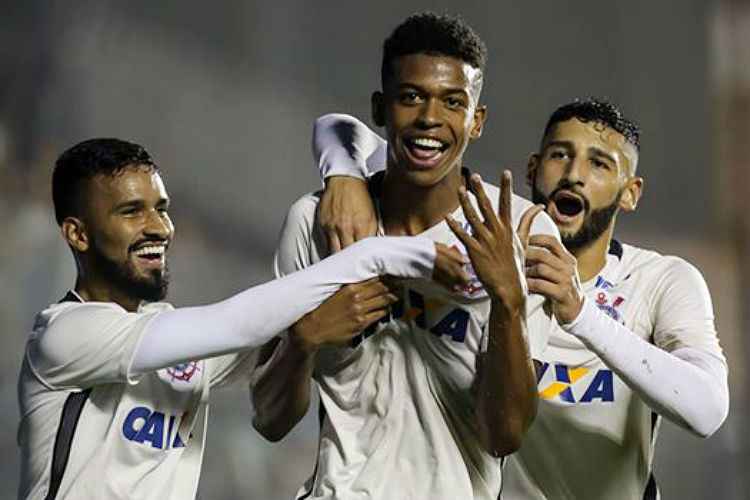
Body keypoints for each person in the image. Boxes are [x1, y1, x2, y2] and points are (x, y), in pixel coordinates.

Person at [313, 97, 729, 499]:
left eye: (599, 163)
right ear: (533, 168)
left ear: (630, 193)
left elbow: (707, 410)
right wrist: (343, 174)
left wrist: (580, 314)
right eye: (559, 155)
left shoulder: (660, 280)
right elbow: (341, 129)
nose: (573, 175)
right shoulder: (484, 242)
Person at [16, 138, 455, 500]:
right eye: (132, 211)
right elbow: (239, 323)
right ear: (77, 233)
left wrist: (343, 168)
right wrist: (380, 253)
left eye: (162, 208)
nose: (160, 227)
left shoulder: (176, 339)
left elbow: (277, 332)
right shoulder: (63, 336)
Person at [251, 13, 561, 500]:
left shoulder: (519, 233)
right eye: (411, 97)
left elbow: (505, 434)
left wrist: (509, 302)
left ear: (476, 121)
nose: (429, 119)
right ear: (381, 107)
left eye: (453, 102)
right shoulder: (314, 223)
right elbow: (269, 420)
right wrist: (304, 339)